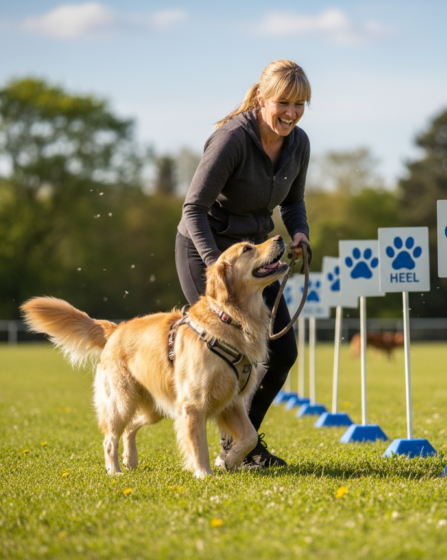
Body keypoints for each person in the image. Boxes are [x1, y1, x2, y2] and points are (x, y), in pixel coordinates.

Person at [175, 60, 311, 469]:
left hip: (257, 257)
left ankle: (242, 444)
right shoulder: (231, 139)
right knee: (222, 353)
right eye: (284, 103)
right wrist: (217, 264)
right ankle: (234, 447)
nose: (291, 113)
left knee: (282, 351)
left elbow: (293, 201)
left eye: (300, 104)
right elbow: (193, 208)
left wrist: (300, 232)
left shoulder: (299, 143)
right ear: (262, 97)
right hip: (206, 250)